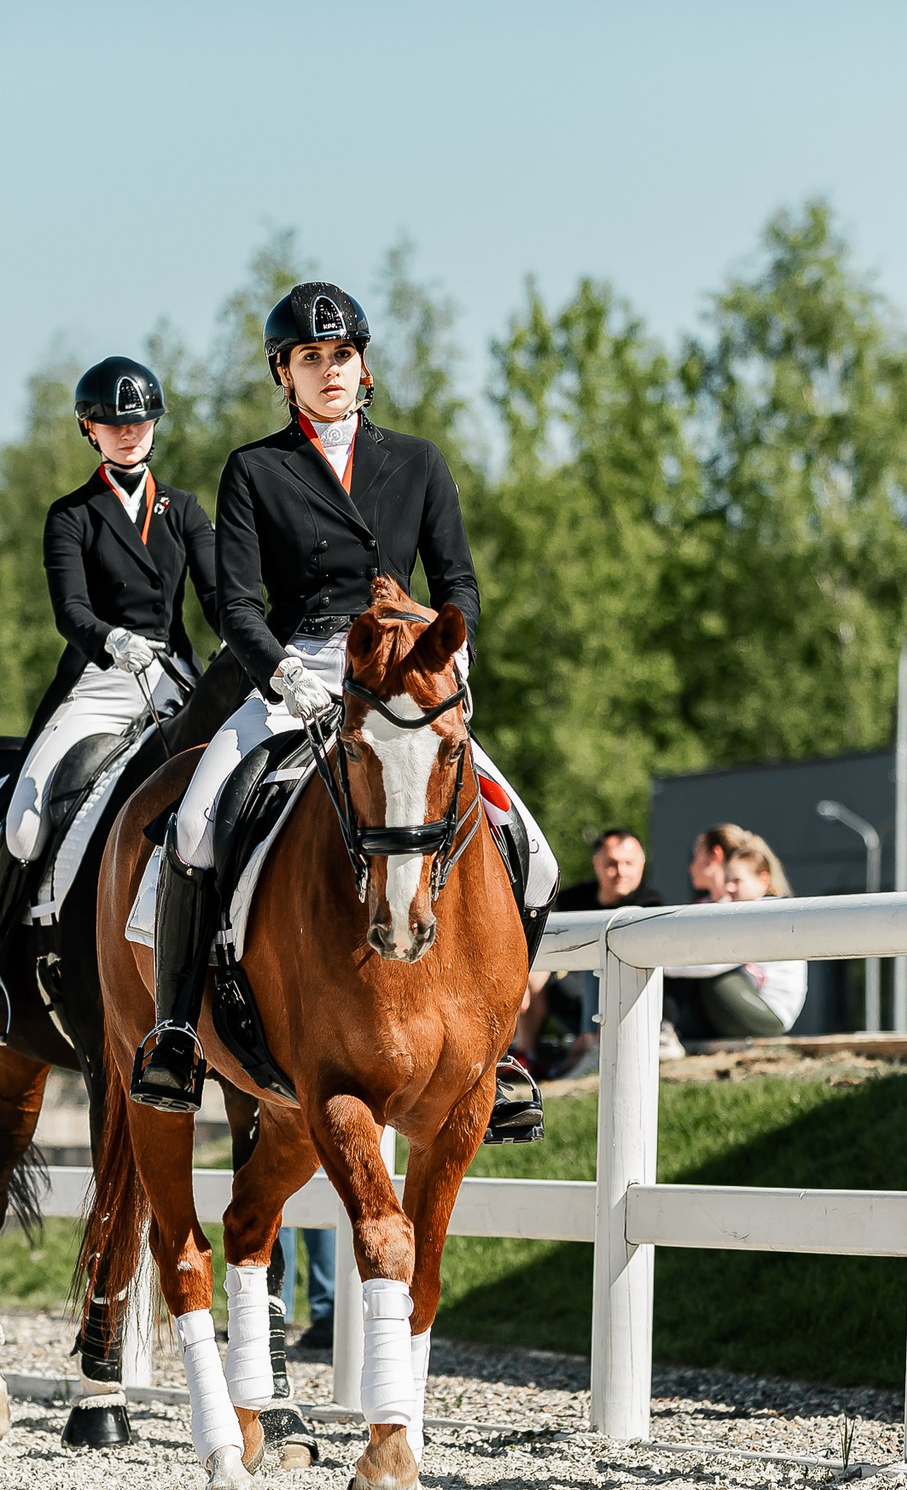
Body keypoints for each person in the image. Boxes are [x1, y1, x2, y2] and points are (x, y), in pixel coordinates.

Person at [126, 281, 559, 1143]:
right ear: (284, 375)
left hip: (407, 676)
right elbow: (238, 605)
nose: (330, 371)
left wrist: (452, 648)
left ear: (365, 367)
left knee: (535, 855)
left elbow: (458, 579)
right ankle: (177, 1031)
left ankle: (498, 1053)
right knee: (197, 826)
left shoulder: (420, 462)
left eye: (343, 355)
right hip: (300, 668)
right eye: (310, 358)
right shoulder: (256, 469)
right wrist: (282, 675)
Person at [0, 356, 220, 1043]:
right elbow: (69, 610)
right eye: (114, 423)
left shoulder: (185, 510)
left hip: (173, 677)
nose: (130, 433)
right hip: (100, 680)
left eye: (140, 421)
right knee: (24, 819)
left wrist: (240, 642)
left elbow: (219, 599)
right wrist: (111, 639)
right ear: (90, 429)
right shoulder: (72, 514)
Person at [517, 828, 665, 1078]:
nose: (621, 872)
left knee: (598, 952)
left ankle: (587, 1039)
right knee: (535, 966)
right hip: (569, 1002)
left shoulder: (651, 904)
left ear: (642, 864)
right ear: (596, 864)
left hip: (626, 1007)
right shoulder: (572, 899)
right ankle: (525, 1055)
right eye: (612, 863)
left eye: (628, 863)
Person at [664, 826, 806, 1041]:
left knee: (710, 978)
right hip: (745, 1000)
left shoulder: (767, 911)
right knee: (696, 975)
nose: (729, 888)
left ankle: (665, 1030)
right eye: (727, 880)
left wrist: (661, 965)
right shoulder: (737, 908)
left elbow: (715, 961)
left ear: (763, 881)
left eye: (736, 881)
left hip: (770, 1013)